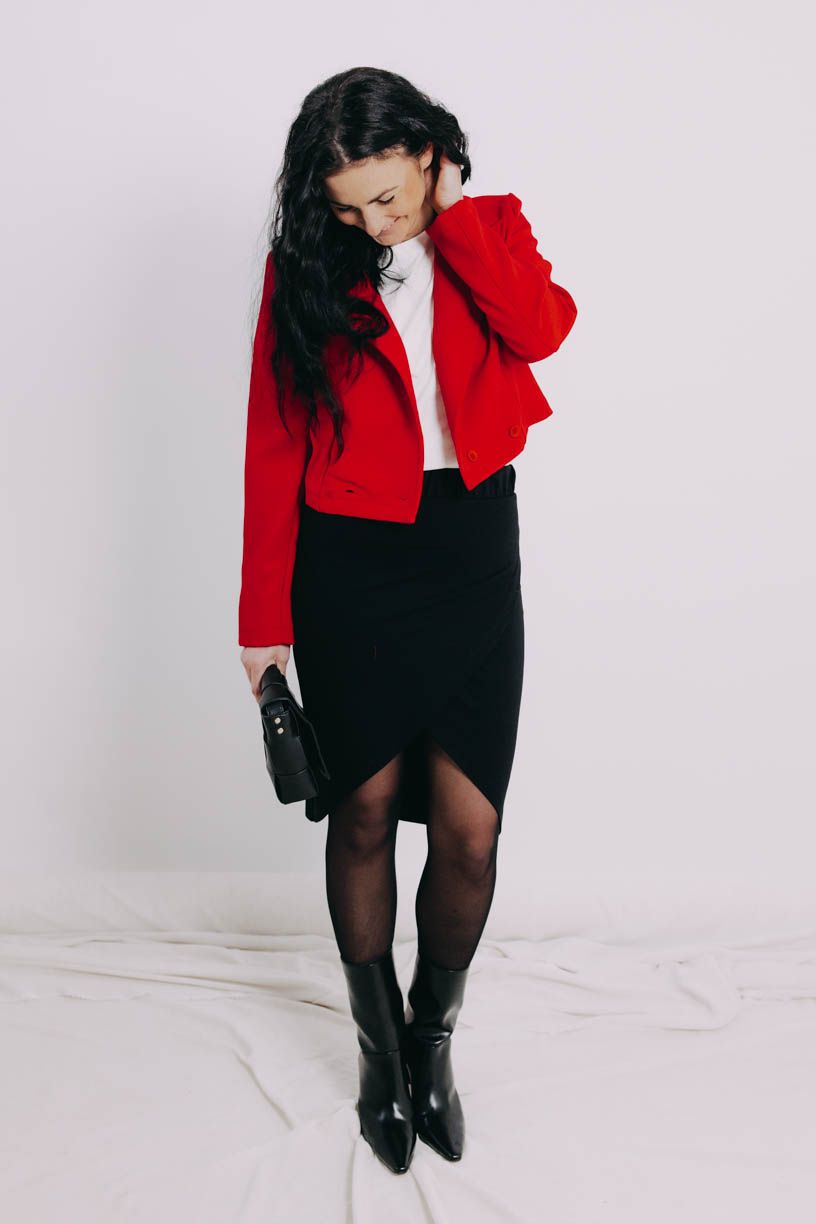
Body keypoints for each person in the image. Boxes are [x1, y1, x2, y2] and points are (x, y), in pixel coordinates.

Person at [238, 66, 578, 1175]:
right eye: (348, 208)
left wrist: (459, 220)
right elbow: (272, 442)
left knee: (471, 827)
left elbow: (542, 331)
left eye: (387, 197)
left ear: (433, 156)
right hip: (350, 562)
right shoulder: (308, 266)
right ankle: (379, 1050)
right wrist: (260, 619)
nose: (372, 224)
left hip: (470, 549)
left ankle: (433, 1043)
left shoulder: (491, 232)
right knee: (367, 809)